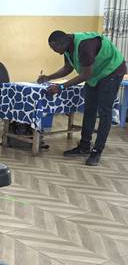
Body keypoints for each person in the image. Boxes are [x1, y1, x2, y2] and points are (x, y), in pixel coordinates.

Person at [40, 30, 126, 166]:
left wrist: (61, 87)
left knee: (104, 111)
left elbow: (85, 75)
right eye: (52, 49)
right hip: (95, 74)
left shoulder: (85, 45)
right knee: (89, 109)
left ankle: (97, 151)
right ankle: (84, 146)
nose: (55, 51)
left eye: (56, 48)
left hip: (112, 71)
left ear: (65, 41)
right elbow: (68, 68)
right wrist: (49, 77)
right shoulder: (67, 48)